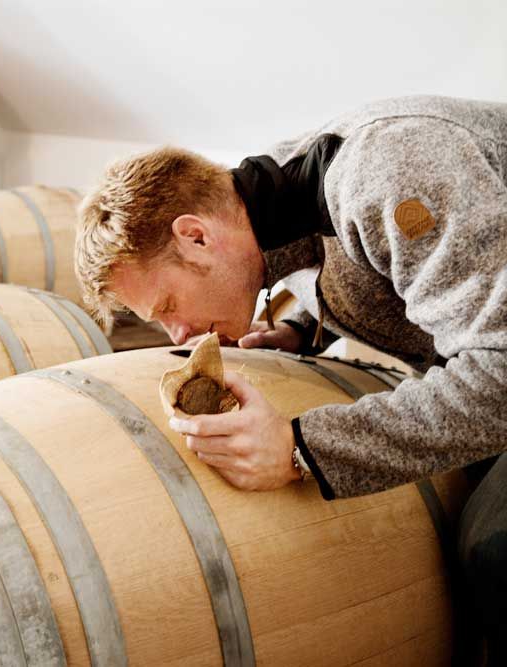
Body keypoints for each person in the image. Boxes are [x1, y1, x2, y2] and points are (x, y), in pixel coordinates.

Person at [74, 95, 506, 662]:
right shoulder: (260, 203)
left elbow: (500, 370)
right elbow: (358, 259)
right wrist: (305, 327)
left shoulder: (395, 166)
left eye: (169, 305)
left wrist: (300, 448)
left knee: (492, 545)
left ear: (196, 237)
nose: (179, 334)